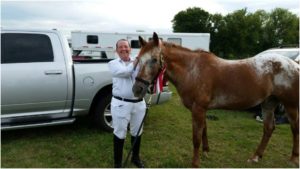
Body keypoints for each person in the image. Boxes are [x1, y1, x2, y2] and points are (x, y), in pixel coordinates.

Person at [108, 39, 146, 168]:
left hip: (139, 103)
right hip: (121, 104)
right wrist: (136, 61)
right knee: (120, 132)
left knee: (137, 131)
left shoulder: (140, 63)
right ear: (116, 50)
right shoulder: (113, 63)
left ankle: (135, 158)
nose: (123, 49)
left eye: (126, 46)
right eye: (120, 47)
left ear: (130, 49)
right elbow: (125, 73)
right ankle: (118, 164)